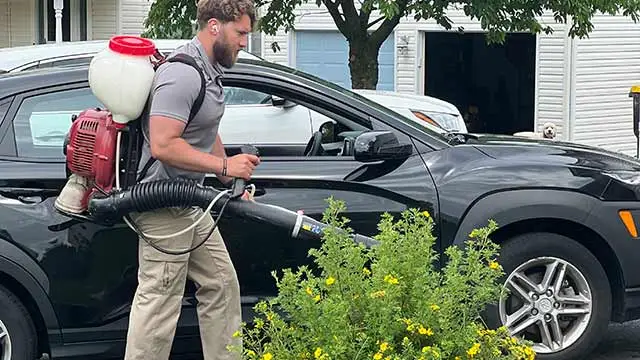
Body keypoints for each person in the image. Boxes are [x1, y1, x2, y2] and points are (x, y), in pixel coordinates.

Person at [123, 1, 259, 359]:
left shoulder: (208, 69)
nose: (245, 42)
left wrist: (224, 171)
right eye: (241, 33)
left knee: (221, 284)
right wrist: (226, 167)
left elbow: (201, 128)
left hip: (188, 204)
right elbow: (165, 144)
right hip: (161, 206)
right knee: (159, 301)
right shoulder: (182, 73)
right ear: (214, 26)